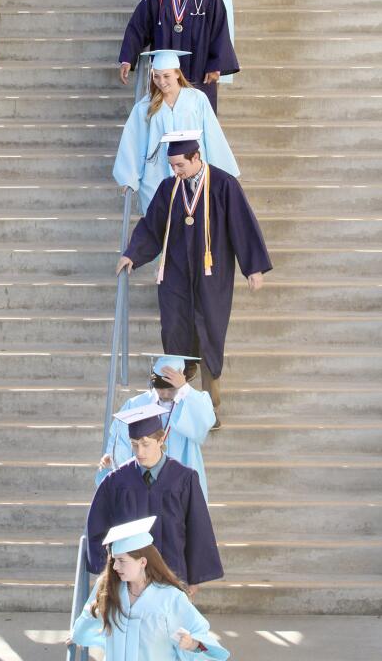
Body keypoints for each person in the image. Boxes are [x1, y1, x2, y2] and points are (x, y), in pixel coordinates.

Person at [117, 131, 272, 418]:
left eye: (180, 165)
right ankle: (177, 404)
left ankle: (210, 408)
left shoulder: (224, 185)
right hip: (175, 273)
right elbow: (152, 226)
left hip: (211, 273)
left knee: (210, 332)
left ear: (196, 157)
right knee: (175, 330)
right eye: (172, 165)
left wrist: (253, 268)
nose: (175, 171)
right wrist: (132, 254)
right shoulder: (169, 188)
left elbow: (242, 226)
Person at [85, 404, 223, 585]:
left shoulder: (184, 479)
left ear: (161, 439)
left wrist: (194, 580)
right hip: (128, 582)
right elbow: (97, 528)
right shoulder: (116, 482)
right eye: (134, 445)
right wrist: (107, 571)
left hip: (173, 577)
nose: (139, 452)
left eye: (145, 444)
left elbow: (198, 530)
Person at [71, 517, 230, 660]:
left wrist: (192, 643)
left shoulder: (170, 597)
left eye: (121, 560)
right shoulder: (107, 587)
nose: (115, 567)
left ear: (143, 562)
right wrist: (77, 635)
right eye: (113, 561)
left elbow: (200, 635)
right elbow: (87, 622)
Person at [119, 0, 239, 114]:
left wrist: (216, 65)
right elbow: (138, 27)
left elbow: (219, 34)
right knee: (165, 120)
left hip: (199, 73)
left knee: (197, 121)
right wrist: (127, 57)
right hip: (165, 76)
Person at [113, 49, 239, 214]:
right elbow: (134, 142)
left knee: (194, 222)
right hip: (156, 174)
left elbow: (213, 136)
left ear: (177, 74)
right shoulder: (145, 106)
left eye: (166, 76)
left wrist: (224, 173)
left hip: (193, 170)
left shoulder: (197, 99)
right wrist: (128, 177)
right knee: (161, 225)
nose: (161, 81)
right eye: (156, 76)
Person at [97, 356, 215, 498]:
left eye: (171, 389)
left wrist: (185, 388)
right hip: (144, 476)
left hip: (180, 475)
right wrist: (112, 457)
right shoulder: (136, 404)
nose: (165, 393)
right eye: (160, 388)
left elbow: (206, 421)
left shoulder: (191, 400)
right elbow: (121, 438)